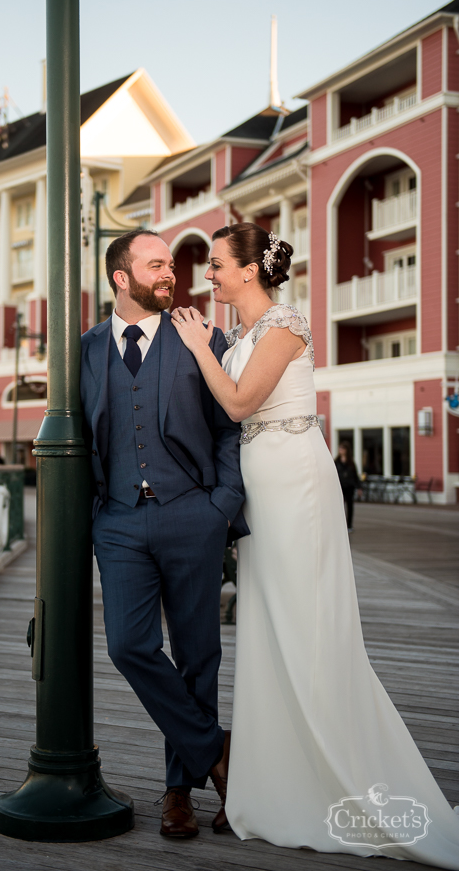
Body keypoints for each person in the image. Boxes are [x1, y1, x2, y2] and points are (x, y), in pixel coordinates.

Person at [171, 222, 459, 866]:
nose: (209, 275)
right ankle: (273, 783)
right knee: (269, 629)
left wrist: (197, 349)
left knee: (307, 627)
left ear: (249, 271)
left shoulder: (283, 325)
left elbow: (242, 402)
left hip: (296, 486)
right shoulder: (240, 334)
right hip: (259, 493)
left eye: (217, 264)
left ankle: (332, 774)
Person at [80, 229, 247, 838]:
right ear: (121, 278)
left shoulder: (201, 336)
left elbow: (230, 426)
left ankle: (180, 791)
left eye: (171, 263)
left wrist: (221, 505)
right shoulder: (86, 349)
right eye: (156, 265)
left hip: (192, 514)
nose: (170, 273)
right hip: (119, 521)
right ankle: (218, 753)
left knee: (199, 654)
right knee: (129, 646)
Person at [335, 440, 361, 530]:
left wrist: (359, 487)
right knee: (340, 506)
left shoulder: (351, 462)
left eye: (342, 448)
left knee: (350, 506)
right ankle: (340, 525)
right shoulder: (336, 461)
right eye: (340, 448)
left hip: (349, 486)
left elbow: (355, 475)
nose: (340, 450)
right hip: (340, 486)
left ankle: (349, 525)